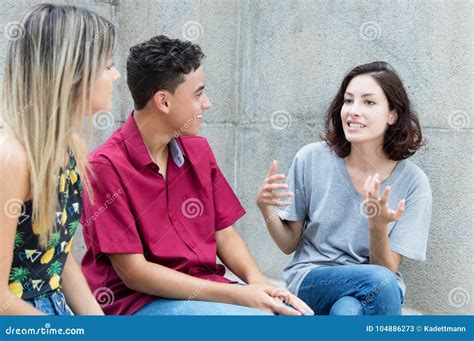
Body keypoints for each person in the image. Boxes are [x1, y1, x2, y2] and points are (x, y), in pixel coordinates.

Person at [80, 35, 313, 316]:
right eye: (198, 94)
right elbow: (134, 273)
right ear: (163, 102)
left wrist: (259, 283)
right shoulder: (105, 167)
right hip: (139, 303)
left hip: (208, 292)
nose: (207, 103)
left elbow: (224, 234)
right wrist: (238, 295)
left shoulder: (198, 151)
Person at [256, 61, 432, 315]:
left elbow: (385, 266)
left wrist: (377, 225)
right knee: (381, 283)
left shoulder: (414, 183)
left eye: (368, 102)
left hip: (375, 289)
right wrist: (266, 209)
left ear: (392, 115)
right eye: (348, 101)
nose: (353, 111)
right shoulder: (312, 159)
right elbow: (289, 244)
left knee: (347, 310)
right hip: (312, 279)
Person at [0, 3, 120, 315]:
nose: (117, 75)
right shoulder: (11, 158)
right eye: (108, 65)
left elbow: (56, 257)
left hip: (52, 310)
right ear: (72, 75)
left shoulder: (71, 148)